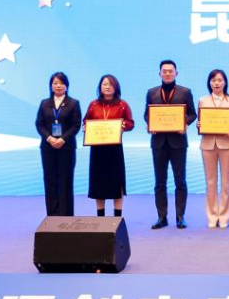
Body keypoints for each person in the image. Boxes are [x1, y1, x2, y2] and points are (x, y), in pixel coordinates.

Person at [144, 59, 197, 230]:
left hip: (178, 142)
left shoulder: (185, 92)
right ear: (159, 73)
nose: (167, 74)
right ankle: (162, 217)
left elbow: (192, 114)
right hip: (158, 142)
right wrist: (150, 124)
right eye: (164, 71)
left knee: (180, 181)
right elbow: (147, 114)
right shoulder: (151, 92)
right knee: (159, 182)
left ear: (176, 73)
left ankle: (180, 216)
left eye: (170, 71)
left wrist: (184, 123)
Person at [84, 74, 134, 217]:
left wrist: (124, 125)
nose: (107, 87)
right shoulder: (93, 105)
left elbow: (130, 123)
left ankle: (117, 218)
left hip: (114, 150)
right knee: (98, 183)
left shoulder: (123, 104)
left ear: (116, 87)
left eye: (111, 84)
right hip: (97, 150)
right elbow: (86, 121)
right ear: (100, 87)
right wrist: (86, 127)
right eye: (105, 84)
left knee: (116, 183)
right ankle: (101, 217)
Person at [198, 68, 229, 229]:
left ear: (225, 82)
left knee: (226, 183)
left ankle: (224, 217)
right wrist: (200, 125)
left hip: (227, 144)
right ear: (209, 82)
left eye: (219, 80)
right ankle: (212, 216)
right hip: (208, 144)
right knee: (210, 182)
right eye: (213, 80)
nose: (216, 83)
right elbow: (201, 121)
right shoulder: (203, 100)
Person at [35, 71, 81, 217]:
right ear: (51, 86)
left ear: (66, 86)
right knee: (50, 179)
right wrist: (49, 138)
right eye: (55, 83)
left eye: (61, 83)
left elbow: (76, 125)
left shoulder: (73, 103)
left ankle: (66, 215)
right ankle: (52, 214)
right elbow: (39, 124)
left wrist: (62, 139)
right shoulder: (44, 103)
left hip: (66, 148)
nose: (58, 86)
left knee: (65, 180)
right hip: (48, 148)